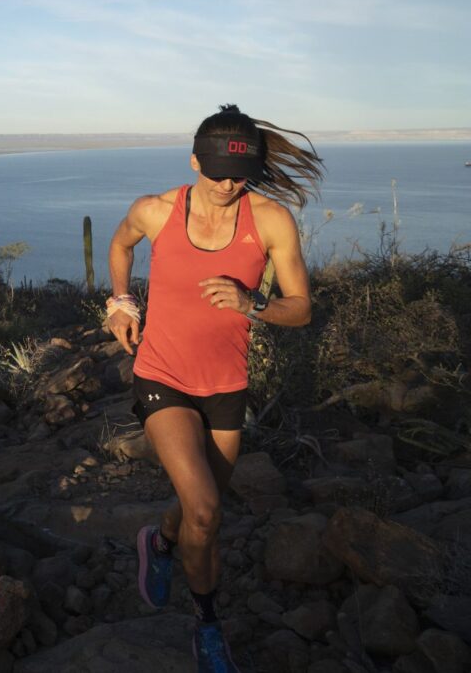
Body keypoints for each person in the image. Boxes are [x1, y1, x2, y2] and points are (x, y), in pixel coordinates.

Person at [106, 104, 324, 672]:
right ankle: (206, 623)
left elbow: (301, 310)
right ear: (193, 161)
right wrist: (122, 300)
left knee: (200, 508)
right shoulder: (155, 211)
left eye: (240, 174)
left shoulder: (271, 220)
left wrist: (256, 304)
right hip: (162, 375)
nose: (228, 185)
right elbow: (120, 246)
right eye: (217, 173)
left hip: (227, 384)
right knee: (206, 510)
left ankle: (158, 540)